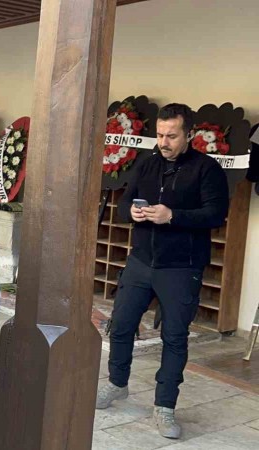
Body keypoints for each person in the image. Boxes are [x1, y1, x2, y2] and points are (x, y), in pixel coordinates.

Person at [95, 103, 229, 439]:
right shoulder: (147, 163)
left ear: (189, 135)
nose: (164, 142)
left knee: (174, 337)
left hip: (181, 267)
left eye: (172, 136)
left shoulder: (207, 169)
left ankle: (165, 407)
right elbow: (124, 203)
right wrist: (132, 213)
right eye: (159, 135)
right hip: (141, 261)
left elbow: (216, 214)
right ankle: (117, 383)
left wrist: (173, 216)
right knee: (120, 325)